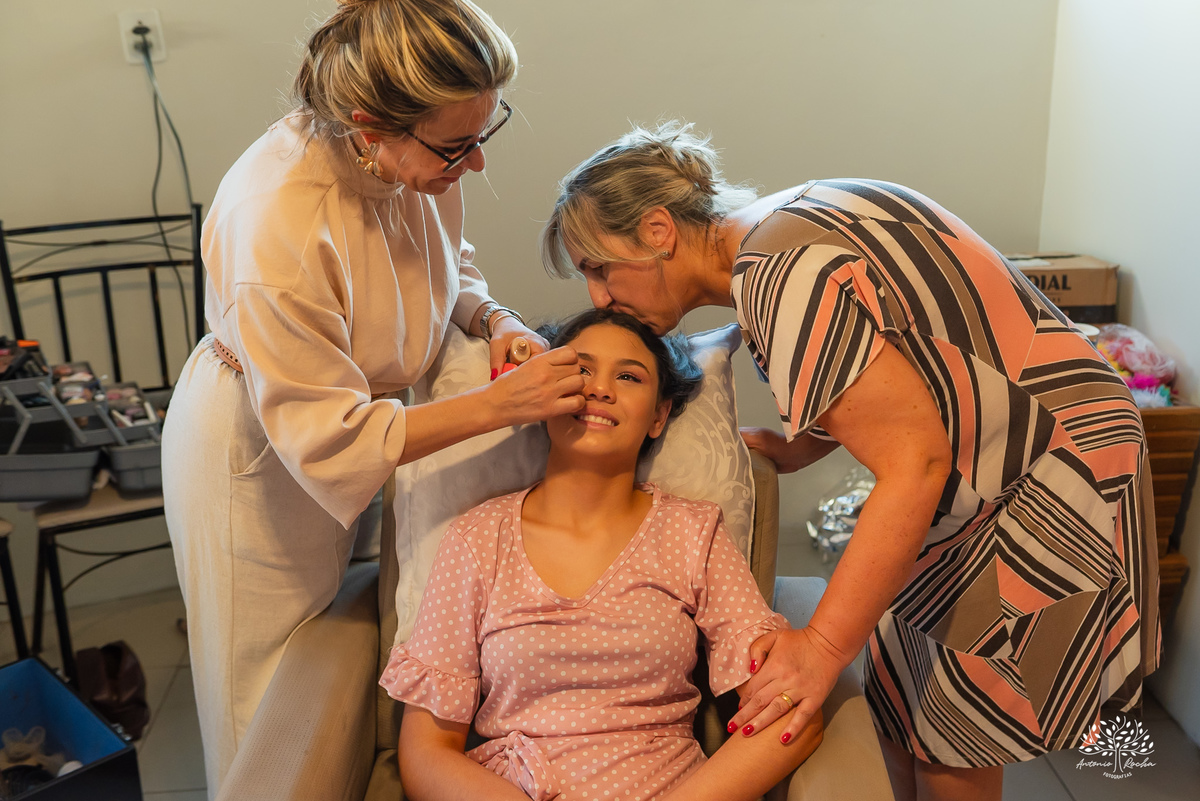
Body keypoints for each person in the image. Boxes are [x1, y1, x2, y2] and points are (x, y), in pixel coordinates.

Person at [539, 123, 1159, 801]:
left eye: (598, 266)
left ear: (659, 230)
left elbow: (917, 461)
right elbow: (905, 364)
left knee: (958, 734)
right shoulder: (782, 223)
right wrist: (800, 446)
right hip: (1013, 455)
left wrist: (821, 648)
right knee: (903, 700)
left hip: (1045, 466)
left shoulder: (775, 276)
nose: (598, 295)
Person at [161, 1, 586, 792]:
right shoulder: (277, 223)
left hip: (361, 412)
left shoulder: (410, 158)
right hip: (256, 451)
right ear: (369, 125)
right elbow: (336, 440)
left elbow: (443, 258)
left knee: (351, 646)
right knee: (267, 703)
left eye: (485, 134)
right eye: (458, 146)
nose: (476, 165)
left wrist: (493, 319)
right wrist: (507, 403)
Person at [381, 309, 824, 801]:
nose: (600, 389)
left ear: (658, 415)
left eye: (629, 376)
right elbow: (426, 753)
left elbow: (788, 710)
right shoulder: (477, 539)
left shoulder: (692, 532)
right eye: (581, 370)